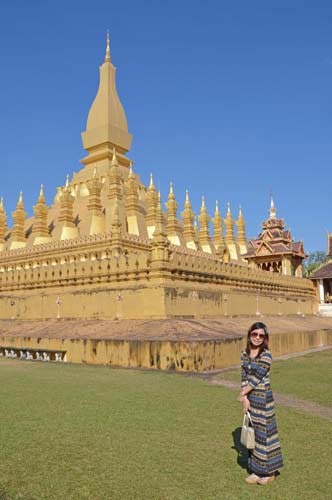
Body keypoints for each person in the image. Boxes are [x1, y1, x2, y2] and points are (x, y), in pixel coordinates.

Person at [239, 322, 283, 485]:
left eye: (261, 335)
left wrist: (243, 393)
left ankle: (269, 472)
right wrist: (245, 399)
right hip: (250, 399)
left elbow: (257, 378)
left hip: (263, 399)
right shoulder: (244, 353)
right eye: (254, 334)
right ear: (250, 334)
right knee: (254, 435)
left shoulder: (266, 355)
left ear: (265, 338)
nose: (257, 338)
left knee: (265, 435)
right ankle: (257, 470)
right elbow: (244, 377)